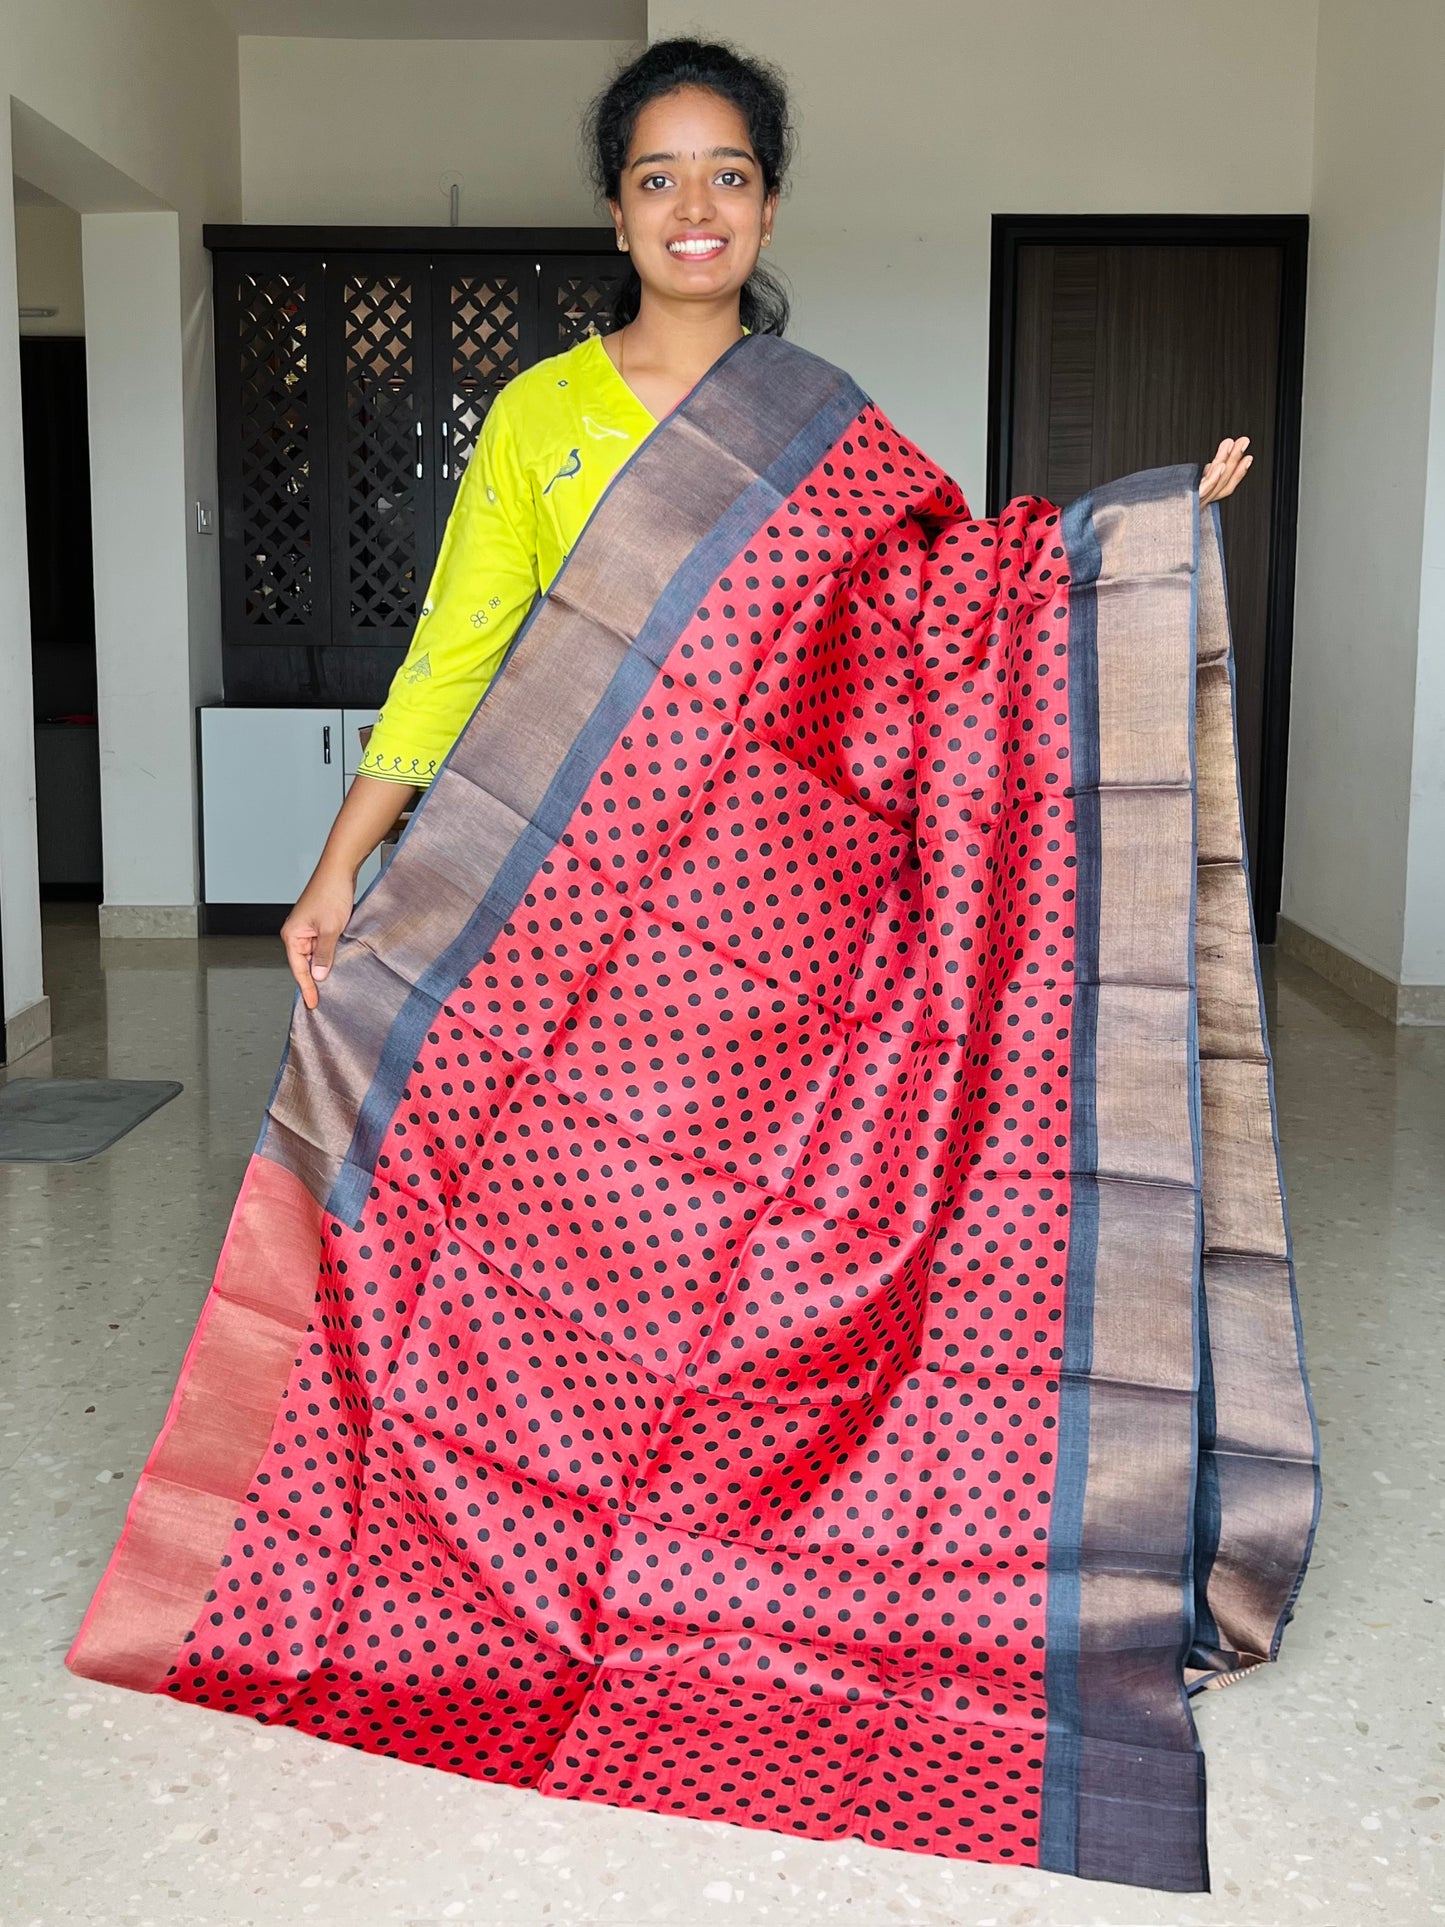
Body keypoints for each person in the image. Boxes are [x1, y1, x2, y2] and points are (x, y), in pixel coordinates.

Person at [280, 36, 1251, 1011]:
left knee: (779, 1160)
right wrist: (339, 866)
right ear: (618, 218)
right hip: (576, 883)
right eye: (658, 179)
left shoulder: (809, 417)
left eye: (727, 176)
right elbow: (452, 658)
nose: (694, 207)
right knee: (574, 1152)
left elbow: (942, 599)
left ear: (766, 209)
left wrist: (1137, 539)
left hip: (776, 898)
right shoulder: (540, 414)